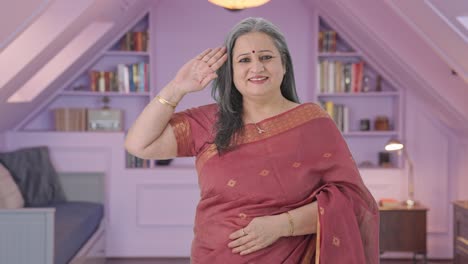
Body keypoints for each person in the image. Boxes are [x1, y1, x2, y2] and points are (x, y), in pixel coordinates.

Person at [125, 17, 379, 263]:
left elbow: (352, 201)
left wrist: (281, 225)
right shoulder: (209, 121)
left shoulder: (313, 123)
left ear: (284, 64)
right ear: (231, 71)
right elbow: (139, 145)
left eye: (266, 57)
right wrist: (177, 87)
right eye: (244, 60)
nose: (256, 68)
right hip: (214, 256)